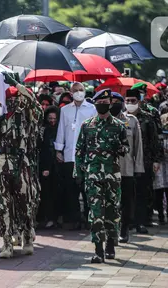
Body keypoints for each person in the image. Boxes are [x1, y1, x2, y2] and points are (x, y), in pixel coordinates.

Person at [0, 72, 36, 259]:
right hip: (0, 163)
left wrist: (16, 84)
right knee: (3, 205)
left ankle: (27, 238)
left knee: (24, 203)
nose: (14, 103)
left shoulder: (27, 115)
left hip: (21, 162)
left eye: (16, 99)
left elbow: (34, 101)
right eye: (11, 100)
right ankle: (7, 243)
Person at [74, 88, 129, 263]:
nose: (102, 106)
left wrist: (118, 147)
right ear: (95, 104)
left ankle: (111, 245)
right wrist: (81, 170)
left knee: (112, 212)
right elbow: (79, 150)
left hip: (112, 176)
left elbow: (126, 147)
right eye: (100, 103)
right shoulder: (87, 125)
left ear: (110, 105)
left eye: (106, 104)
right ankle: (98, 250)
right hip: (93, 176)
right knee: (96, 213)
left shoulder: (118, 126)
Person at [54, 82, 97, 230]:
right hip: (69, 156)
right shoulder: (65, 110)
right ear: (71, 93)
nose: (79, 92)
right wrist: (58, 149)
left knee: (87, 189)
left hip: (86, 156)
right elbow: (61, 131)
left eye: (81, 90)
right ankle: (73, 219)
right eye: (76, 90)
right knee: (71, 190)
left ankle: (89, 219)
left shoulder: (92, 109)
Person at [124, 89, 162, 234]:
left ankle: (141, 221)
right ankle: (128, 222)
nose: (130, 104)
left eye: (133, 101)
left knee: (142, 192)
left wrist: (156, 160)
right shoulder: (121, 118)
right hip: (126, 162)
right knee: (127, 194)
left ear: (138, 101)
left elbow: (154, 140)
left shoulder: (147, 118)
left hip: (144, 161)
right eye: (127, 101)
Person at [110, 92, 144, 243]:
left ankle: (124, 229)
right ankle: (111, 229)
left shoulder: (131, 120)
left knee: (126, 201)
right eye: (112, 102)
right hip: (108, 170)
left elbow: (138, 147)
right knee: (109, 201)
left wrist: (138, 168)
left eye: (117, 101)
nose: (114, 104)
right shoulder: (102, 121)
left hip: (126, 169)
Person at [39, 106, 60, 228]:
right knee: (47, 193)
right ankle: (49, 217)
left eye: (54, 118)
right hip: (47, 166)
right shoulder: (44, 130)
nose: (52, 120)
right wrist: (46, 168)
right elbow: (44, 149)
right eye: (50, 118)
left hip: (58, 165)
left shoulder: (59, 129)